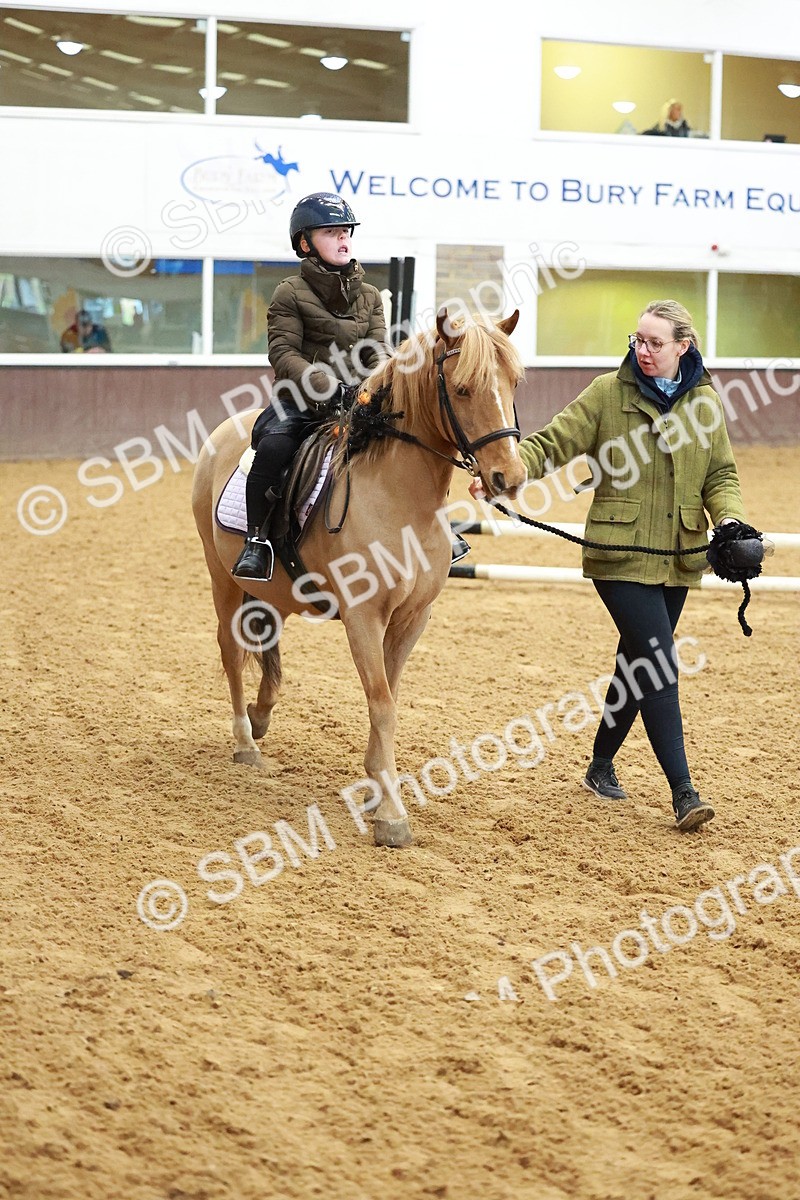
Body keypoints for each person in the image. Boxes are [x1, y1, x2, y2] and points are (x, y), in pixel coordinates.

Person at [473, 299, 748, 832]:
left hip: (679, 556)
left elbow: (721, 475)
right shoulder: (607, 393)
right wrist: (506, 473)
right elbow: (553, 443)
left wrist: (732, 523)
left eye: (654, 344)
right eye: (637, 341)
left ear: (682, 348)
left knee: (636, 662)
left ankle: (600, 766)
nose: (642, 351)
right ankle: (684, 792)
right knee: (659, 661)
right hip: (618, 555)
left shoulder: (706, 403)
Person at [232, 192, 390, 581]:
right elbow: (284, 353)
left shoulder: (369, 295)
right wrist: (329, 386)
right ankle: (257, 542)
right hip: (301, 401)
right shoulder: (288, 291)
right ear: (305, 243)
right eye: (332, 232)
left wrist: (383, 381)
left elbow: (379, 350)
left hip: (358, 399)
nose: (344, 240)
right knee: (272, 450)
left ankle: (432, 530)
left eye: (346, 232)